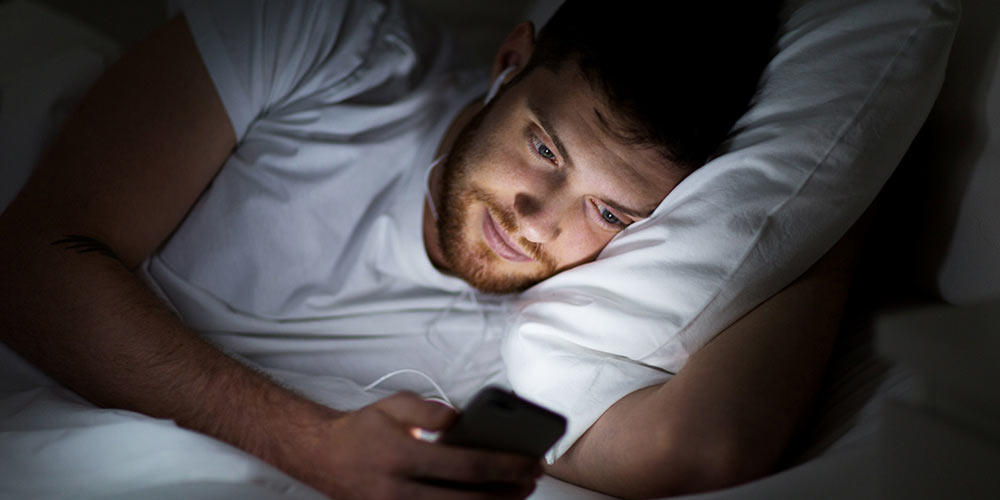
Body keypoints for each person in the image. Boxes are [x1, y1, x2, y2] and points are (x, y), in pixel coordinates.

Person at [0, 1, 861, 499]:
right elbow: (31, 262)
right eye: (545, 150)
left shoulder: (574, 332)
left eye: (607, 210)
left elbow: (705, 450)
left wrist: (840, 181)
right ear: (511, 60)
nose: (536, 220)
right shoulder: (322, 40)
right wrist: (315, 446)